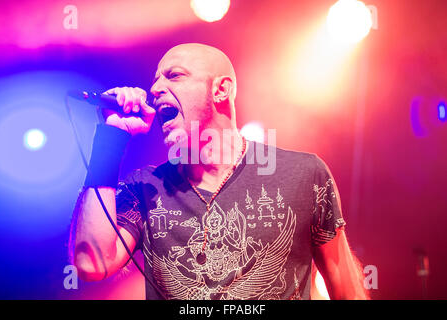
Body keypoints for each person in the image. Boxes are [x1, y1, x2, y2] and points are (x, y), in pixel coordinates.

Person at [70, 43, 369, 300]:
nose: (156, 88)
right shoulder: (146, 187)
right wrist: (111, 139)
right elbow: (90, 263)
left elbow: (348, 290)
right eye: (156, 79)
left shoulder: (304, 174)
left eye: (174, 76)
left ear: (221, 90)